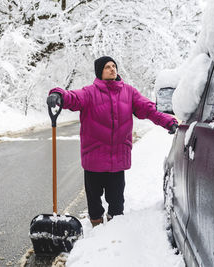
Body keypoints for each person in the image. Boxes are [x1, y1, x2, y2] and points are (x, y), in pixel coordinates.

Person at [47, 56, 178, 227]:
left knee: (117, 203)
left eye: (114, 66)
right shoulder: (89, 93)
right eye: (107, 67)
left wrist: (168, 121)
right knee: (94, 204)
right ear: (100, 72)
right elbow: (72, 97)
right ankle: (95, 230)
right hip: (94, 159)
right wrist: (57, 94)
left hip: (118, 159)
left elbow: (148, 109)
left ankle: (114, 231)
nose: (112, 69)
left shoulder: (129, 92)